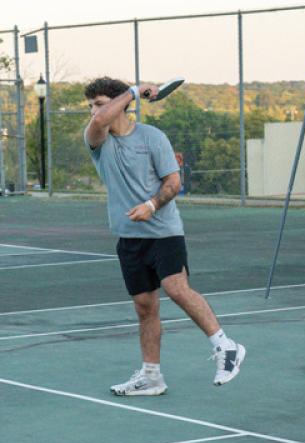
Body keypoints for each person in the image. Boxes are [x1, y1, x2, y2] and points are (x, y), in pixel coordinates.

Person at [83, 77, 245, 396]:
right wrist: (133, 90)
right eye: (90, 105)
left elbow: (172, 182)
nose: (93, 111)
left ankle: (226, 347)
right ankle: (152, 376)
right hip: (128, 237)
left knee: (175, 286)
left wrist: (151, 205)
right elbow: (100, 121)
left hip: (164, 231)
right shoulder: (96, 137)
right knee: (145, 307)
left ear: (122, 105)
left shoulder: (153, 137)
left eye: (99, 103)